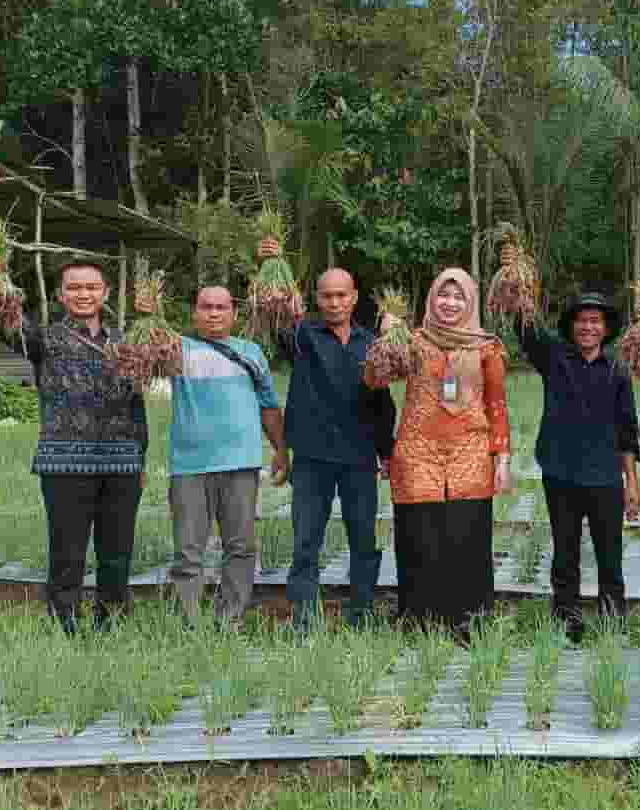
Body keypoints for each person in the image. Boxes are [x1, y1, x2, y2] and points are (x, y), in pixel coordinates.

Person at [0, 258, 147, 633]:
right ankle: (63, 622)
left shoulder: (125, 343)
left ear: (105, 293)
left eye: (90, 287)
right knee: (67, 551)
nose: (82, 294)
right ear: (60, 294)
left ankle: (112, 621)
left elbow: (137, 405)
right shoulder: (46, 339)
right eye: (73, 287)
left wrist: (142, 459)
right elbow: (7, 327)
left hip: (121, 464)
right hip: (64, 464)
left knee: (116, 553)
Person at [258, 235, 397, 630]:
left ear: (354, 297)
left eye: (342, 295)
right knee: (306, 541)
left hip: (357, 457)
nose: (334, 303)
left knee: (364, 542)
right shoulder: (302, 337)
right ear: (317, 299)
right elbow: (274, 315)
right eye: (327, 296)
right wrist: (272, 265)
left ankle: (362, 614)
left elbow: (382, 403)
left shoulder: (373, 344)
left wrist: (386, 452)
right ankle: (304, 616)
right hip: (313, 457)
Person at [371, 268, 511, 637]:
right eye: (442, 296)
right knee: (419, 535)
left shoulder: (487, 347)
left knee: (467, 536)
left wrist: (503, 457)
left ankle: (469, 621)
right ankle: (418, 620)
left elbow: (497, 404)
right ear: (431, 299)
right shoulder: (413, 341)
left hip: (471, 450)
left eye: (458, 296)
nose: (449, 303)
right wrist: (387, 338)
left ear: (470, 302)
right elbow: (375, 380)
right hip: (418, 451)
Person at [519, 291, 640, 642]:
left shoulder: (618, 368)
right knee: (565, 549)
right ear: (572, 326)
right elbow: (526, 332)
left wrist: (631, 482)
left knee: (609, 551)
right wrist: (520, 292)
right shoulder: (555, 358)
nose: (588, 327)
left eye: (595, 321)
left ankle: (612, 617)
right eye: (582, 321)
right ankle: (567, 617)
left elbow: (627, 428)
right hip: (561, 471)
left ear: (605, 329)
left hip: (605, 475)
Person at [165, 286, 285, 625]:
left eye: (221, 307)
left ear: (234, 313)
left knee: (241, 547)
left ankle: (229, 619)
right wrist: (150, 314)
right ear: (194, 313)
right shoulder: (177, 350)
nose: (213, 314)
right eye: (206, 307)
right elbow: (143, 349)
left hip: (241, 464)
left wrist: (281, 450)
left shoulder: (251, 353)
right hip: (190, 465)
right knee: (188, 551)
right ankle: (188, 623)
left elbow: (269, 406)